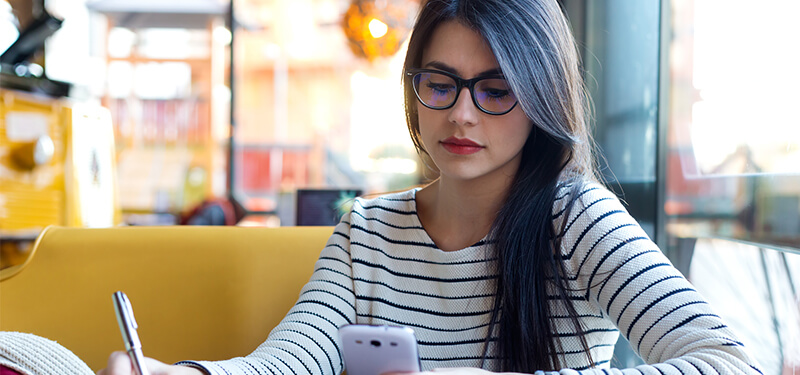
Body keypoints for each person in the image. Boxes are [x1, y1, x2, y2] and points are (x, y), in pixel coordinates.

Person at [99, 0, 762, 374]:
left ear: (540, 98)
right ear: (414, 90)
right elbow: (293, 358)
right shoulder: (368, 231)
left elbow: (731, 361)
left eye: (496, 89)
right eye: (440, 84)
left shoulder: (575, 216)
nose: (462, 113)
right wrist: (182, 374)